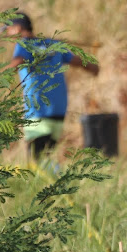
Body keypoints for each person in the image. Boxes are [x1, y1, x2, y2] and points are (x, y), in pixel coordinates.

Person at [6, 12, 99, 159]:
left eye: (8, 30)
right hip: (58, 111)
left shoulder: (23, 45)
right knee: (46, 156)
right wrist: (93, 67)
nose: (7, 35)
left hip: (36, 113)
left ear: (17, 28)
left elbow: (18, 61)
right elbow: (78, 61)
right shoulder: (52, 44)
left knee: (37, 161)